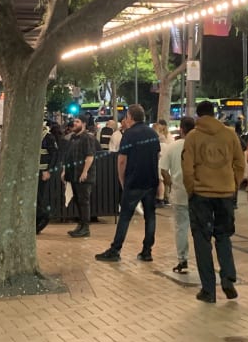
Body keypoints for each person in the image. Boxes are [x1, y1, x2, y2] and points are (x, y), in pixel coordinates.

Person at [183, 100, 245, 303]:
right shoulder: (229, 134)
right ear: (214, 113)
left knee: (202, 240)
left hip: (201, 195)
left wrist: (192, 189)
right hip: (225, 194)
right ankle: (228, 278)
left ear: (199, 116)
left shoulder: (193, 136)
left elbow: (187, 168)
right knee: (223, 236)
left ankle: (208, 290)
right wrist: (232, 184)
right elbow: (239, 162)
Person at [95, 104, 161, 262]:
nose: (125, 119)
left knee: (125, 216)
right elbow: (157, 156)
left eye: (126, 116)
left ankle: (115, 249)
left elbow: (122, 160)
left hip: (134, 180)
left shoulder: (129, 134)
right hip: (151, 181)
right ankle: (147, 251)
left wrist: (122, 180)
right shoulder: (153, 133)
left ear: (131, 117)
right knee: (150, 217)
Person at [159, 115, 195, 274]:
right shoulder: (198, 145)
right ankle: (203, 258)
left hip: (179, 192)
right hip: (198, 192)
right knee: (199, 228)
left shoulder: (172, 147)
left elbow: (163, 170)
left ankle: (183, 259)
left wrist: (171, 184)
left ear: (181, 129)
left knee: (181, 227)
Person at [62, 117, 97, 238]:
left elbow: (90, 156)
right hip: (73, 174)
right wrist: (65, 171)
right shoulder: (72, 138)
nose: (74, 124)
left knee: (84, 201)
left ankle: (85, 227)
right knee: (78, 200)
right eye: (74, 122)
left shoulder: (87, 137)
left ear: (84, 124)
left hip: (83, 175)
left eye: (77, 122)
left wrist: (85, 172)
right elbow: (68, 156)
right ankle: (80, 225)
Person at [36, 121, 61, 234]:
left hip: (42, 172)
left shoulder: (48, 137)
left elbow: (55, 154)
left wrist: (48, 171)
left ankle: (44, 217)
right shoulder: (34, 135)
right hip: (34, 172)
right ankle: (37, 222)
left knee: (39, 198)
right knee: (36, 198)